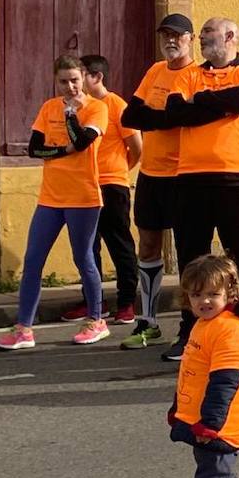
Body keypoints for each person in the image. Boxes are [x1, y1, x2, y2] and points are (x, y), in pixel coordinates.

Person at [162, 18, 239, 363]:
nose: (204, 39)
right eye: (203, 34)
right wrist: (221, 105)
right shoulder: (188, 73)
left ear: (231, 37)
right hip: (191, 179)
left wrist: (203, 100)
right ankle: (190, 332)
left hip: (237, 179)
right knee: (193, 259)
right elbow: (178, 111)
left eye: (210, 33)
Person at [0, 56, 111, 351]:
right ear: (55, 81)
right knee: (33, 259)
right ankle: (24, 329)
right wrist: (64, 150)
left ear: (84, 77)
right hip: (51, 196)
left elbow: (83, 142)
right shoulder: (48, 108)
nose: (70, 86)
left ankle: (96, 320)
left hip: (83, 196)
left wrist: (72, 117)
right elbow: (35, 149)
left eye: (74, 79)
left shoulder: (98, 108)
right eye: (63, 81)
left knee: (83, 258)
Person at [167, 254, 239, 478]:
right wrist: (178, 410)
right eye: (196, 294)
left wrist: (209, 425)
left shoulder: (230, 331)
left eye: (212, 294)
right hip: (206, 421)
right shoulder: (207, 324)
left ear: (230, 293)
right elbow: (192, 374)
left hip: (217, 426)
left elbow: (224, 384)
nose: (203, 301)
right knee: (224, 476)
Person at [120, 13, 197, 350]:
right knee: (148, 245)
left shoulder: (199, 75)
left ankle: (192, 325)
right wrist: (167, 118)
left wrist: (160, 118)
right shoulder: (155, 71)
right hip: (151, 173)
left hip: (186, 174)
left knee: (188, 252)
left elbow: (189, 119)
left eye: (177, 35)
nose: (171, 41)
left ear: (190, 38)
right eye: (165, 34)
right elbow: (130, 116)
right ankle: (148, 321)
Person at [65, 54, 141, 327]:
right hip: (84, 186)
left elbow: (136, 146)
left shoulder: (116, 105)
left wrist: (119, 171)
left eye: (81, 75)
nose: (75, 82)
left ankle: (126, 302)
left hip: (112, 184)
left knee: (119, 244)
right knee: (87, 247)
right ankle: (93, 302)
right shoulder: (79, 106)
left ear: (96, 77)